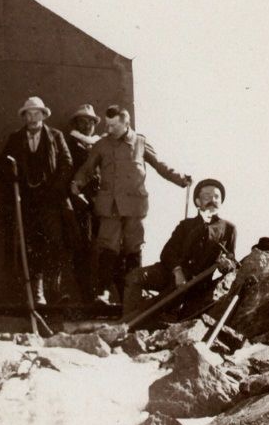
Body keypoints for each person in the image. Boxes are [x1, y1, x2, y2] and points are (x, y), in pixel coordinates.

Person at [70, 105, 192, 304]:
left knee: (133, 248)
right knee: (107, 247)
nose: (109, 130)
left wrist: (180, 179)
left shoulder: (140, 142)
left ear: (126, 123)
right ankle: (104, 292)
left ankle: (134, 294)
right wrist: (78, 182)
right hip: (110, 205)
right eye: (107, 125)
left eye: (114, 126)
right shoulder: (101, 145)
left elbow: (160, 165)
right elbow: (88, 168)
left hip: (135, 206)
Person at [0, 97, 73, 305]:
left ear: (43, 115)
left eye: (36, 113)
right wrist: (10, 172)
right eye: (28, 114)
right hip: (27, 202)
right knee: (32, 246)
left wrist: (55, 189)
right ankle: (37, 294)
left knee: (55, 243)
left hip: (50, 201)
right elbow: (1, 165)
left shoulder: (55, 136)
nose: (32, 118)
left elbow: (67, 163)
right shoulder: (15, 139)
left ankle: (54, 291)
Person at [123, 178, 237, 317]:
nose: (212, 200)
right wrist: (177, 271)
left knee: (155, 307)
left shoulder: (229, 229)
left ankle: (134, 323)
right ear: (197, 201)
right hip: (169, 273)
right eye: (207, 196)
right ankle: (126, 320)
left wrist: (226, 265)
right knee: (134, 277)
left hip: (196, 284)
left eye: (216, 197)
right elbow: (167, 252)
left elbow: (232, 265)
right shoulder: (185, 225)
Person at [64, 104, 101, 300]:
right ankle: (85, 292)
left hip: (98, 203)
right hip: (78, 203)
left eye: (90, 121)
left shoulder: (99, 145)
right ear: (76, 123)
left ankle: (98, 292)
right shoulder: (70, 144)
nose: (87, 125)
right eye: (82, 121)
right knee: (82, 246)